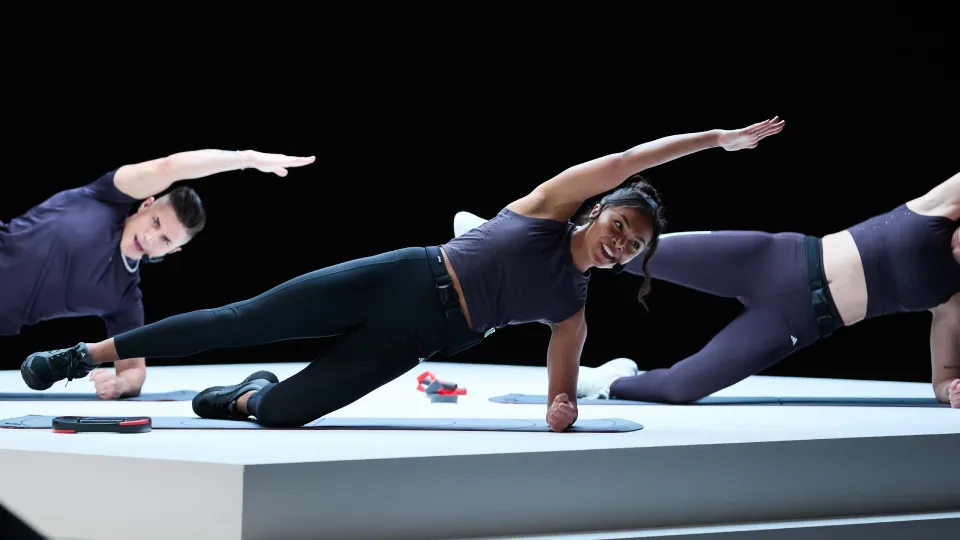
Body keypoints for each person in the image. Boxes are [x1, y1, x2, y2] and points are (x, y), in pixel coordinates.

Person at [19, 117, 785, 431]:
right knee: (235, 320)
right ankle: (78, 357)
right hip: (399, 279)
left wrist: (562, 410)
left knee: (281, 416)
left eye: (635, 245)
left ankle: (251, 392)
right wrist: (716, 139)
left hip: (415, 339)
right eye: (620, 225)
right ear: (597, 212)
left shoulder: (572, 306)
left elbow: (562, 386)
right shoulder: (549, 208)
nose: (622, 242)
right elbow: (629, 159)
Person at [455, 172, 960, 409]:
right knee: (629, 251)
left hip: (797, 322)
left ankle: (607, 382)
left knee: (680, 389)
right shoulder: (941, 206)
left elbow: (944, 379)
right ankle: (504, 241)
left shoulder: (954, 296)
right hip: (776, 259)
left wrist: (950, 390)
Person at [4, 149, 315, 399]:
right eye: (155, 222)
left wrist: (120, 385)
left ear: (172, 251)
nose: (151, 238)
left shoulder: (124, 297)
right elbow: (170, 167)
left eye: (165, 239)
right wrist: (244, 159)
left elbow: (133, 371)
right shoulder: (103, 197)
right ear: (146, 205)